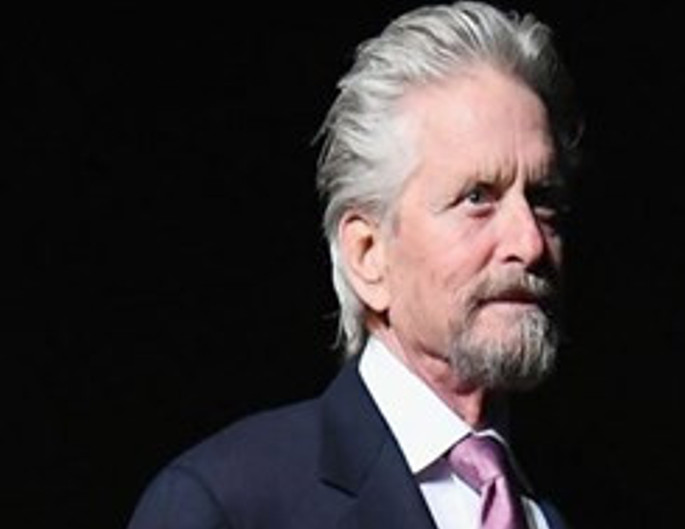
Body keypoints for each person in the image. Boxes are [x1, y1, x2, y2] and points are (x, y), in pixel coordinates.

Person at [126, 2, 582, 528]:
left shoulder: (575, 498)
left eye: (543, 200)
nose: (529, 242)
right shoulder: (226, 504)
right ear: (368, 255)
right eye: (477, 197)